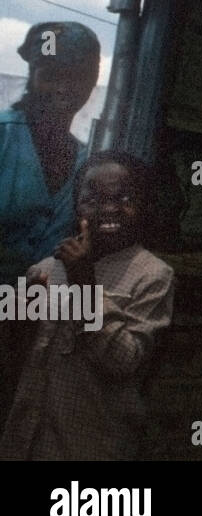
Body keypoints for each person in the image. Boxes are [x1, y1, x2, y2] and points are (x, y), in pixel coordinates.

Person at [0, 150, 174, 460]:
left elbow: (124, 362)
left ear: (144, 205)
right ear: (76, 206)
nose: (107, 209)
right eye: (91, 200)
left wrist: (83, 280)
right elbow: (13, 356)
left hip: (91, 445)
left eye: (123, 199)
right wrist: (16, 318)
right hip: (27, 441)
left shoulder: (153, 275)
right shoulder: (45, 268)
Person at [0, 21, 100, 420]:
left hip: (30, 337)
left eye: (76, 77)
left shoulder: (87, 163)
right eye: (51, 74)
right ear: (31, 74)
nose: (63, 88)